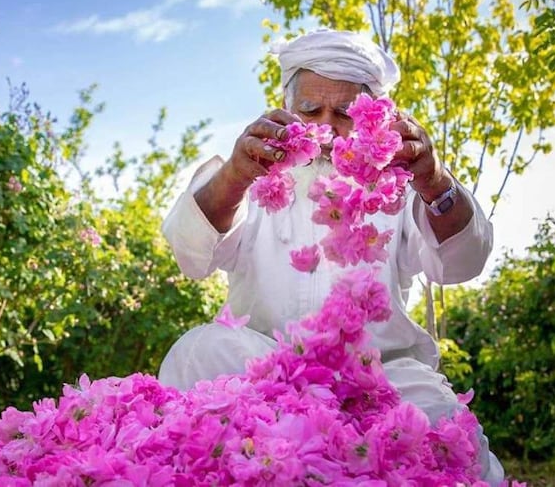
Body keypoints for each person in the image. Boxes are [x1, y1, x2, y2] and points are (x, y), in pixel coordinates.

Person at [157, 29, 504, 482]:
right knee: (199, 350)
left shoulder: (401, 182)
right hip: (260, 366)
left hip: (381, 375)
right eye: (309, 111)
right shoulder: (251, 175)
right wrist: (237, 174)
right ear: (286, 108)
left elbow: (463, 263)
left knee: (438, 420)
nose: (325, 127)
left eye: (344, 113)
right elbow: (190, 253)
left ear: (376, 116)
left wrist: (434, 180)